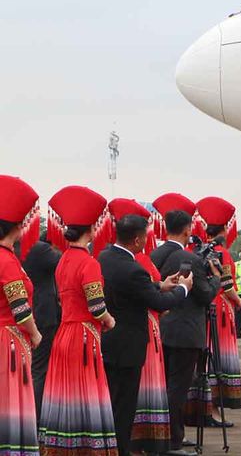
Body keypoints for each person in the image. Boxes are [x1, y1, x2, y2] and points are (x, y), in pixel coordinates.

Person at [99, 212, 191, 456]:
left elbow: (134, 288)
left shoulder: (105, 257)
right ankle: (120, 450)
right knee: (124, 406)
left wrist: (160, 284)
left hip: (107, 341)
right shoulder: (133, 269)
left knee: (111, 402)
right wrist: (183, 288)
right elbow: (159, 304)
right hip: (128, 347)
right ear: (138, 241)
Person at [38, 185, 118, 456]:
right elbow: (96, 306)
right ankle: (87, 449)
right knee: (86, 395)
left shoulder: (62, 261)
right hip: (84, 336)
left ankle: (62, 448)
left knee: (65, 394)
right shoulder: (90, 263)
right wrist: (108, 320)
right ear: (92, 230)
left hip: (65, 333)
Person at [151, 193, 220, 456]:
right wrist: (215, 278)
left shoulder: (155, 253)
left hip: (164, 328)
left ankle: (167, 434)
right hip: (186, 331)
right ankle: (172, 441)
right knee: (178, 388)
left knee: (166, 385)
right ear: (188, 229)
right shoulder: (190, 259)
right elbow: (203, 294)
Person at [184, 196, 241, 428]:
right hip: (219, 310)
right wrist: (239, 302)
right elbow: (227, 284)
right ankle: (213, 409)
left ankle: (197, 406)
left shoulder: (194, 249)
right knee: (215, 359)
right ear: (224, 230)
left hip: (201, 308)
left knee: (201, 359)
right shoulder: (223, 253)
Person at [0, 175, 43, 454]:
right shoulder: (7, 261)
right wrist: (36, 333)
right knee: (9, 402)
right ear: (18, 225)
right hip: (8, 341)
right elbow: (20, 309)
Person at [21, 237, 61, 421]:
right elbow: (65, 261)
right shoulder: (40, 249)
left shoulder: (14, 247)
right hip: (41, 316)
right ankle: (35, 418)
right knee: (38, 370)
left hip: (22, 314)